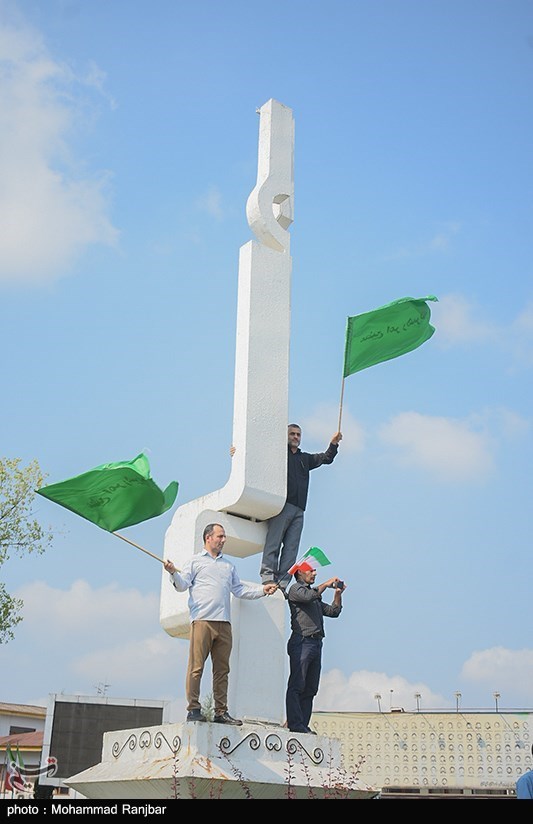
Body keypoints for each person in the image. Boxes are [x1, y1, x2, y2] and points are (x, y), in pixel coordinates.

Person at [164, 523, 277, 726]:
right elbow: (182, 586)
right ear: (208, 537)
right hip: (202, 621)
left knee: (222, 670)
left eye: (224, 537)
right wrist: (173, 572)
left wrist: (262, 590)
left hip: (224, 623)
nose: (223, 540)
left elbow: (239, 590)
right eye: (220, 536)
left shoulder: (228, 566)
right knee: (196, 668)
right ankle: (193, 709)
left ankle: (221, 712)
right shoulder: (195, 562)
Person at [260, 424, 342, 590]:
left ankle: (282, 584)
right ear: (286, 436)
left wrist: (334, 443)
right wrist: (236, 451)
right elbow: (255, 455)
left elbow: (327, 458)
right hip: (282, 505)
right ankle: (268, 577)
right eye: (292, 434)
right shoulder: (278, 455)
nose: (296, 437)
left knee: (291, 548)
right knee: (273, 543)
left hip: (299, 509)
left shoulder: (305, 459)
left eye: (298, 434)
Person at [285, 566, 345, 733]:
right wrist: (326, 584)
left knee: (310, 688)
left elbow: (333, 612)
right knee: (297, 684)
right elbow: (308, 596)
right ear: (300, 573)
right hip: (302, 641)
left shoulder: (314, 596)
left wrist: (337, 595)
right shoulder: (296, 589)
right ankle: (295, 724)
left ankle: (303, 724)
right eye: (311, 571)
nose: (314, 574)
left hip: (315, 643)